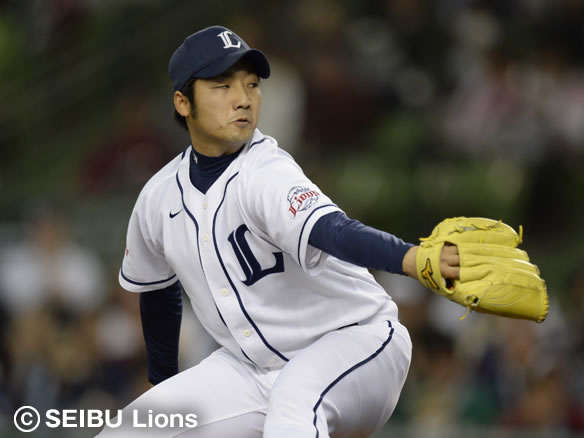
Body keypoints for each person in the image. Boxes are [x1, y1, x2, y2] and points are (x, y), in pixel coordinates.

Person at [97, 25, 459, 438]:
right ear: (183, 102)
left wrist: (411, 258)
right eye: (222, 86)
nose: (243, 98)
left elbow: (332, 230)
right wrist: (166, 390)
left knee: (293, 409)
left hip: (356, 342)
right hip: (251, 369)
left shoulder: (265, 171)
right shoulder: (158, 196)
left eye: (251, 84)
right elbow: (159, 290)